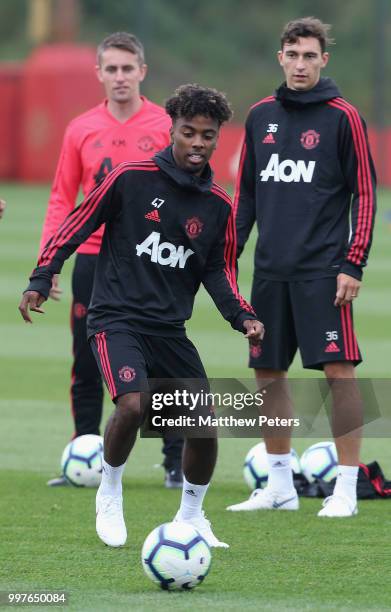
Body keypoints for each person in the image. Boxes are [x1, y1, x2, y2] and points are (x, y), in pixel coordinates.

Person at [19, 83, 264, 548]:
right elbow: (76, 223)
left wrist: (243, 317)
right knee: (131, 404)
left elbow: (219, 271)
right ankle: (109, 491)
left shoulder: (218, 206)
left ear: (217, 139)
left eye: (207, 135)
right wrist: (40, 277)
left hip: (169, 329)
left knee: (204, 423)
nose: (197, 143)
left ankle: (191, 517)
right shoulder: (131, 178)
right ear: (171, 130)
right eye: (188, 132)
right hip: (115, 318)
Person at [227, 17, 376, 518]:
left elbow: (367, 194)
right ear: (280, 58)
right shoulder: (259, 115)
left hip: (323, 273)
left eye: (310, 55)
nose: (300, 64)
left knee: (340, 374)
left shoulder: (343, 117)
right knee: (268, 374)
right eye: (292, 54)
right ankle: (279, 486)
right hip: (270, 271)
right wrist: (229, 255)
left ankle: (347, 489)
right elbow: (247, 193)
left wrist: (353, 263)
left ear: (323, 61)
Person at [39, 32, 184, 489]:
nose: (120, 77)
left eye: (128, 68)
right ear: (98, 74)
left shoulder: (165, 126)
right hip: (91, 259)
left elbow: (184, 197)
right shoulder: (80, 129)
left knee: (162, 363)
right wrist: (49, 261)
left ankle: (174, 462)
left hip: (148, 262)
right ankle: (83, 454)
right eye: (112, 69)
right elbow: (63, 198)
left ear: (142, 71)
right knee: (85, 360)